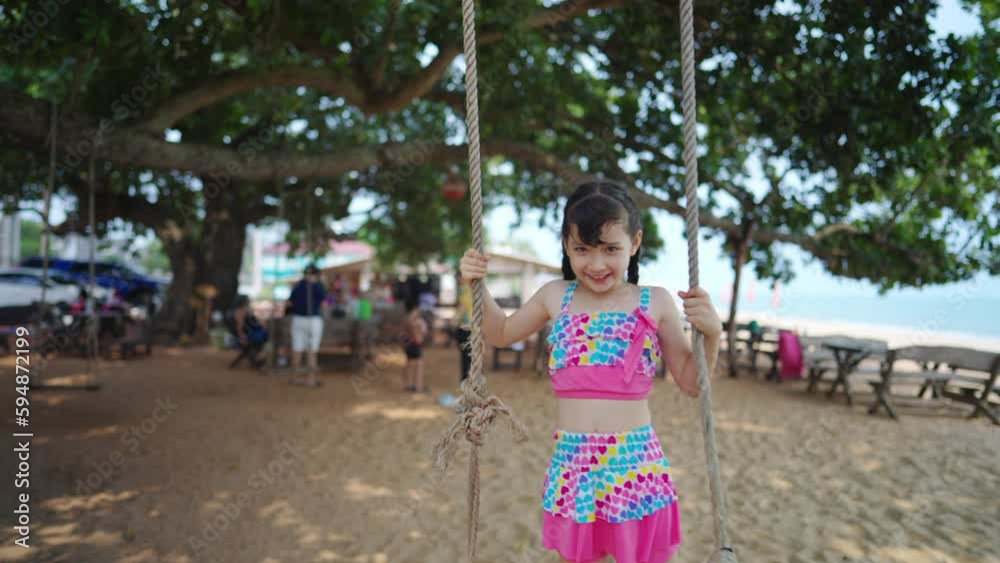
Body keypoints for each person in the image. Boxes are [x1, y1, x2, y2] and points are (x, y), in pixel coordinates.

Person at [458, 181, 722, 563]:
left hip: (635, 464)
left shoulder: (655, 301)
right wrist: (475, 286)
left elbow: (693, 383)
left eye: (611, 249)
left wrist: (711, 335)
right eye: (582, 249)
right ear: (566, 245)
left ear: (635, 243)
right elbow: (500, 332)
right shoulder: (555, 295)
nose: (596, 265)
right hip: (573, 465)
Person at [286, 264, 327, 388]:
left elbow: (289, 303)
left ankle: (294, 378)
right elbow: (325, 304)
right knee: (312, 351)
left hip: (298, 320)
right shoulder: (319, 286)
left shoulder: (297, 286)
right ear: (316, 274)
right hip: (313, 320)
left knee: (297, 350)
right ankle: (311, 380)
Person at [227, 295, 268, 370]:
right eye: (247, 301)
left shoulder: (243, 310)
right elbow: (240, 326)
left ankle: (255, 359)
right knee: (262, 339)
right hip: (249, 335)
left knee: (261, 339)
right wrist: (241, 336)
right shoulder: (239, 311)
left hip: (252, 333)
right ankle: (255, 361)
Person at [402, 298, 429, 393]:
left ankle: (408, 385)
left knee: (409, 364)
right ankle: (419, 387)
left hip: (408, 343)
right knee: (419, 366)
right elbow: (422, 332)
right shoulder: (416, 319)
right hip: (416, 343)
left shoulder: (406, 318)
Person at [454, 275, 474, 383]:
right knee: (468, 355)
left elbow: (462, 307)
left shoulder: (464, 290)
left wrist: (454, 320)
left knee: (465, 355)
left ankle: (466, 378)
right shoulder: (471, 290)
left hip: (464, 327)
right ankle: (467, 378)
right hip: (469, 326)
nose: (459, 279)